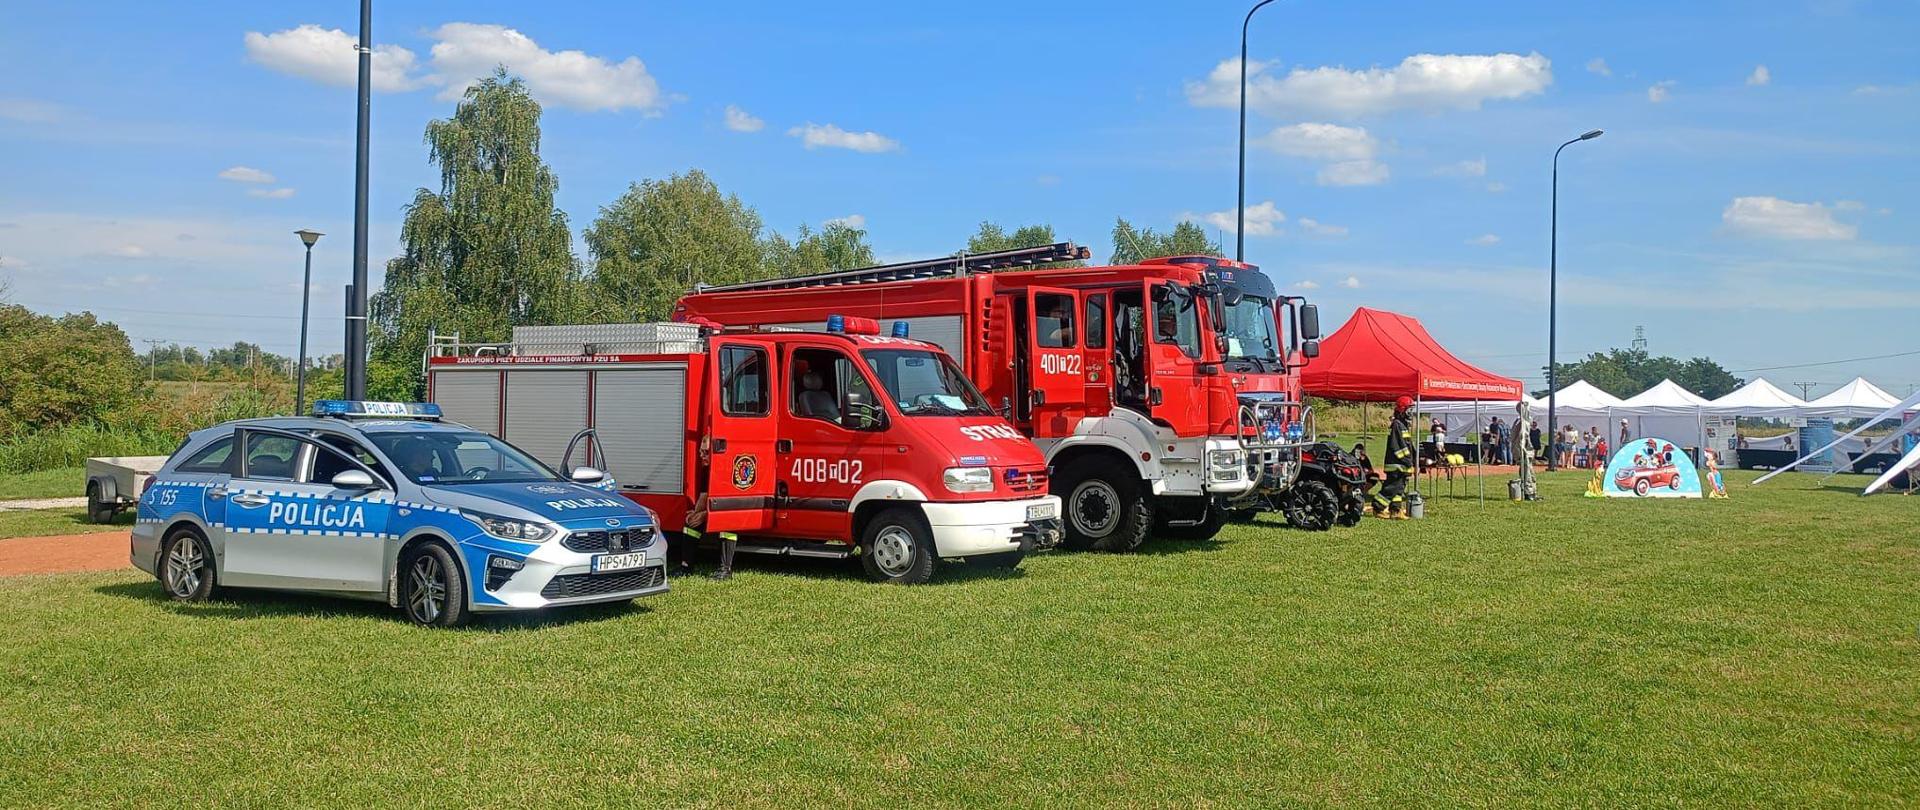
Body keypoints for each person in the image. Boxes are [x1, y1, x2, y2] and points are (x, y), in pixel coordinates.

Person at [1373, 396, 1415, 519]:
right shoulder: (1397, 425)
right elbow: (1397, 446)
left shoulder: (1403, 425)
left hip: (1403, 464)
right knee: (1391, 488)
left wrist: (1415, 457)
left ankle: (1395, 510)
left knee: (1399, 489)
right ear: (1402, 410)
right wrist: (1407, 460)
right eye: (1409, 410)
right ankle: (1377, 507)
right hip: (1396, 464)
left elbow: (1408, 445)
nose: (1411, 413)